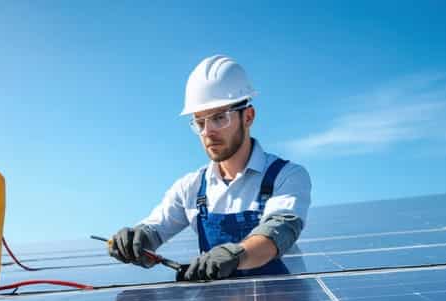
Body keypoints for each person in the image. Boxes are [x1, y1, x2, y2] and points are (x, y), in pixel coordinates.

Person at [109, 55, 312, 281]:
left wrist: (236, 255)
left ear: (248, 116)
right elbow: (154, 229)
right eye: (200, 122)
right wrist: (137, 240)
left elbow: (279, 232)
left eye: (219, 118)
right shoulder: (191, 188)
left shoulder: (287, 176)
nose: (207, 131)